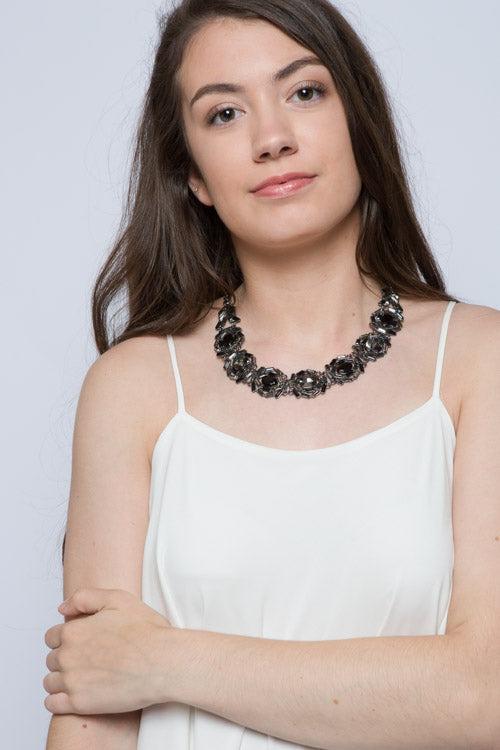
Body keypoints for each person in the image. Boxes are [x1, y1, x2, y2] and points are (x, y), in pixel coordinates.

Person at [43, 0, 500, 748]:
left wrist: (163, 661)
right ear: (192, 174)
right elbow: (94, 702)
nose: (273, 138)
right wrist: (124, 669)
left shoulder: (480, 361)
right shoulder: (133, 388)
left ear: (359, 119)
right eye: (225, 113)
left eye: (304, 91)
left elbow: (486, 696)